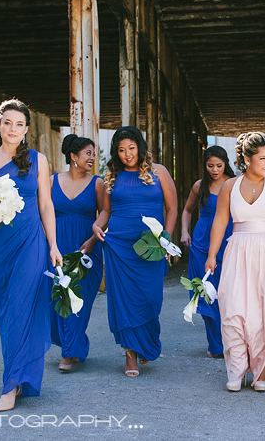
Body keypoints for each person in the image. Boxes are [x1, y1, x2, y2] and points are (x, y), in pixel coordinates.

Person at [0, 98, 62, 412]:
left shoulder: (38, 159)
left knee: (25, 307)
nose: (13, 129)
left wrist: (53, 245)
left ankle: (11, 385)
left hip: (31, 243)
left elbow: (46, 205)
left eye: (19, 124)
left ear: (26, 129)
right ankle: (19, 374)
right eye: (7, 122)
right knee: (8, 313)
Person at [206, 132, 265, 392]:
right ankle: (236, 370)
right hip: (238, 251)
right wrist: (212, 255)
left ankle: (260, 372)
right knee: (233, 310)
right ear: (247, 159)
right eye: (262, 158)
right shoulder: (230, 186)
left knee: (263, 314)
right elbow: (220, 221)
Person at [92, 126, 178, 377]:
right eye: (121, 150)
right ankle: (130, 354)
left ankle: (145, 343)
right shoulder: (112, 175)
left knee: (151, 298)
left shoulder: (159, 171)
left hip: (150, 243)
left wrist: (165, 239)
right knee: (124, 299)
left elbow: (172, 209)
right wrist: (97, 225)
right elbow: (107, 211)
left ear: (140, 146)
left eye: (131, 148)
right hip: (119, 244)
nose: (127, 154)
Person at [50, 134, 104, 372]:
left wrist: (93, 239)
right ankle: (73, 344)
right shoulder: (52, 181)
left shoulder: (98, 183)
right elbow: (45, 213)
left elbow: (105, 214)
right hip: (57, 246)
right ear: (73, 157)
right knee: (58, 297)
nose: (92, 158)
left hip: (86, 248)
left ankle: (68, 353)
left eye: (93, 153)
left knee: (78, 300)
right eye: (88, 153)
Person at [180, 146, 235, 358]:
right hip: (201, 243)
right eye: (210, 165)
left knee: (226, 294)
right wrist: (184, 231)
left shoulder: (234, 183)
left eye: (219, 166)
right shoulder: (199, 186)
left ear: (225, 164)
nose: (215, 170)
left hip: (226, 242)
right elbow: (187, 210)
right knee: (204, 293)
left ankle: (230, 342)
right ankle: (216, 346)